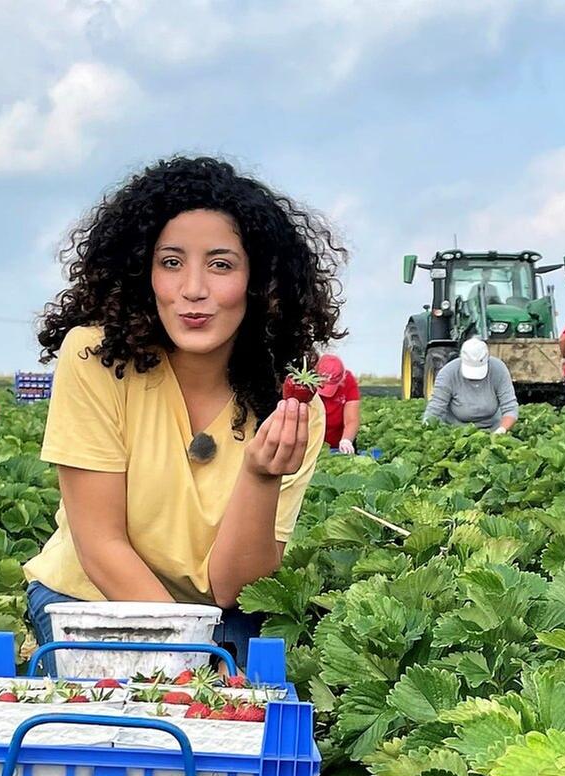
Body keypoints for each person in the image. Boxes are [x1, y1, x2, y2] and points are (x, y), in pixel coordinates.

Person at [22, 156, 340, 665]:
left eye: (221, 264)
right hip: (91, 598)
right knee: (132, 714)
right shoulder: (95, 358)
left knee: (228, 714)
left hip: (217, 610)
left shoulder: (291, 406)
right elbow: (101, 545)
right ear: (143, 274)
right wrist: (189, 658)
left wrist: (260, 476)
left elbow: (234, 587)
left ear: (259, 283)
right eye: (171, 262)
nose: (194, 289)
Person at [422, 338, 518, 433]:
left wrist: (502, 430)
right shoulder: (448, 373)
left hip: (493, 429)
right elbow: (436, 407)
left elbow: (510, 407)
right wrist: (427, 428)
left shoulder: (498, 369)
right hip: (455, 431)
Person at [315, 352, 362, 453]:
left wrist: (346, 441)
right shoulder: (305, 385)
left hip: (338, 443)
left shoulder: (348, 381)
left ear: (342, 379)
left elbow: (352, 420)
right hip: (312, 442)